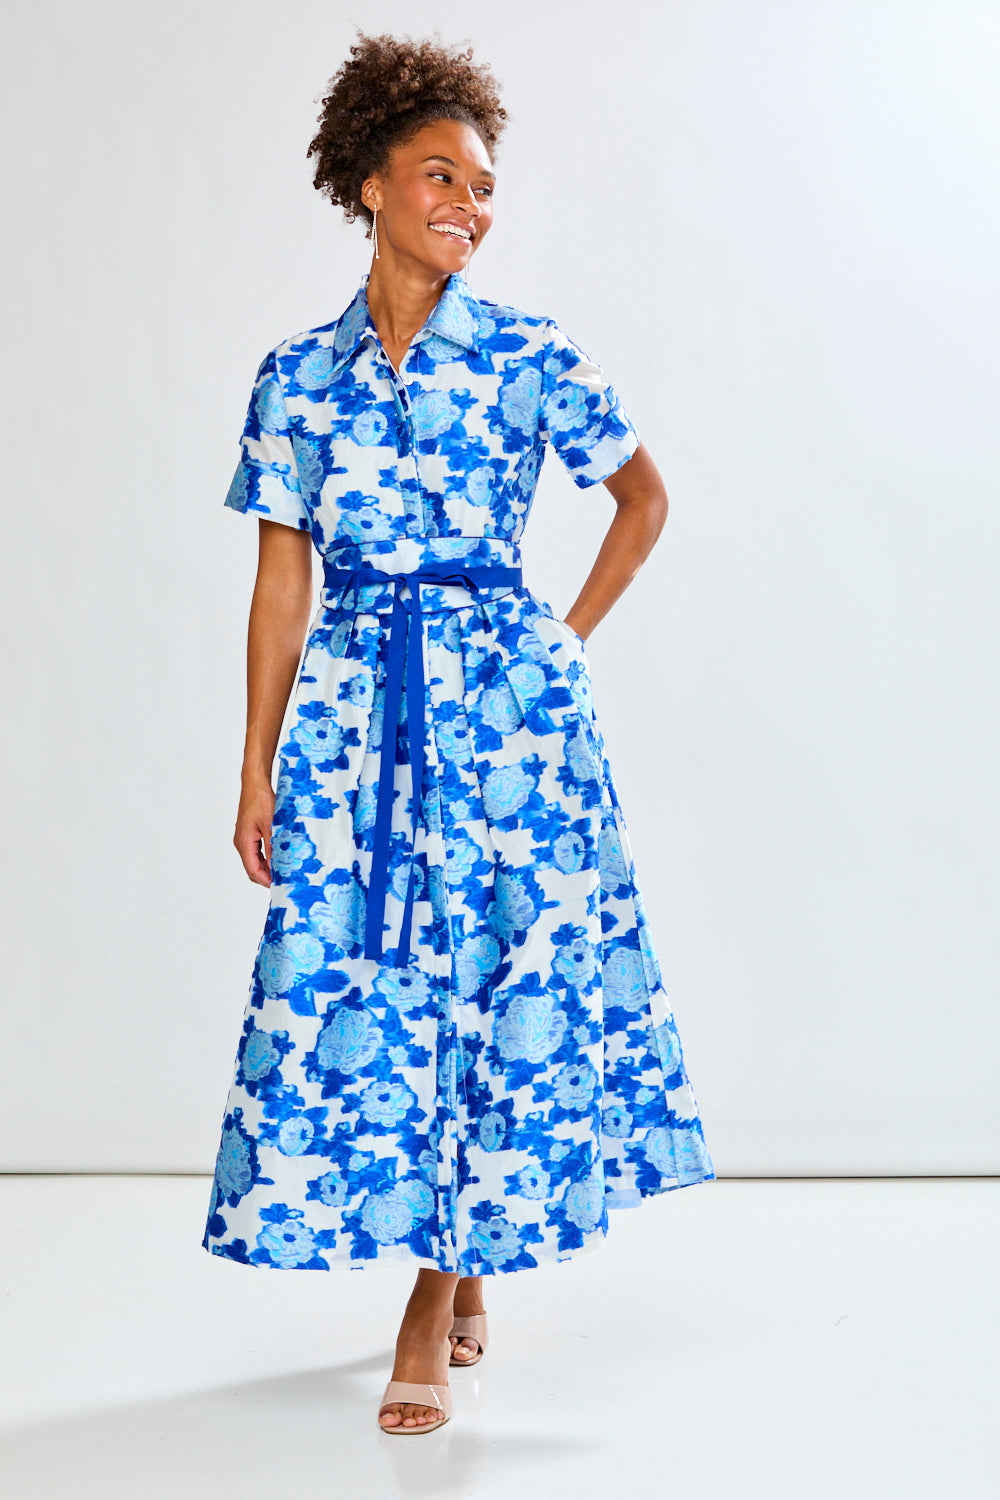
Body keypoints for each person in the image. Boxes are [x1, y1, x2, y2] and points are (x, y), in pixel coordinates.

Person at [201, 31, 715, 1435]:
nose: (469, 207)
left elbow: (644, 500)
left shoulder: (529, 354)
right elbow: (280, 583)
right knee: (375, 984)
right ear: (370, 182)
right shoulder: (296, 379)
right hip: (355, 716)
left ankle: (430, 1306)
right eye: (441, 177)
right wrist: (254, 763)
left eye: (484, 188)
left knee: (489, 983)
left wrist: (562, 638)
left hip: (507, 723)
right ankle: (465, 1252)